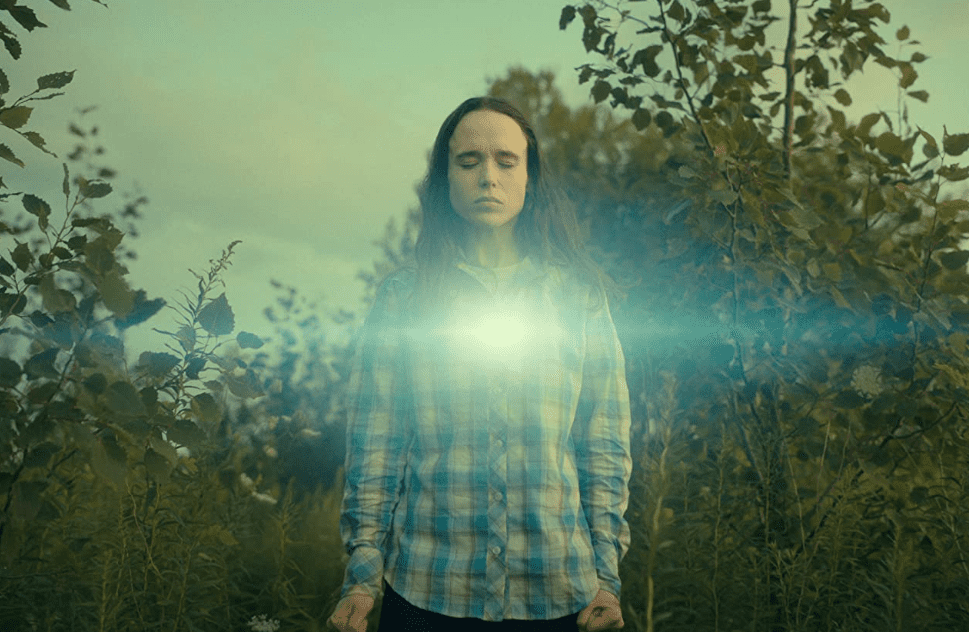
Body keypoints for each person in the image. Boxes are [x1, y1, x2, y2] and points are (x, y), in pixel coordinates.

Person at [327, 96, 631, 632]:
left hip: (560, 594)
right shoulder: (403, 298)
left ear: (530, 178)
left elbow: (603, 443)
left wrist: (606, 577)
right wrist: (362, 576)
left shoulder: (579, 296)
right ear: (444, 179)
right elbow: (377, 443)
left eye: (505, 161)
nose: (487, 176)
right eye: (468, 161)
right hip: (425, 591)